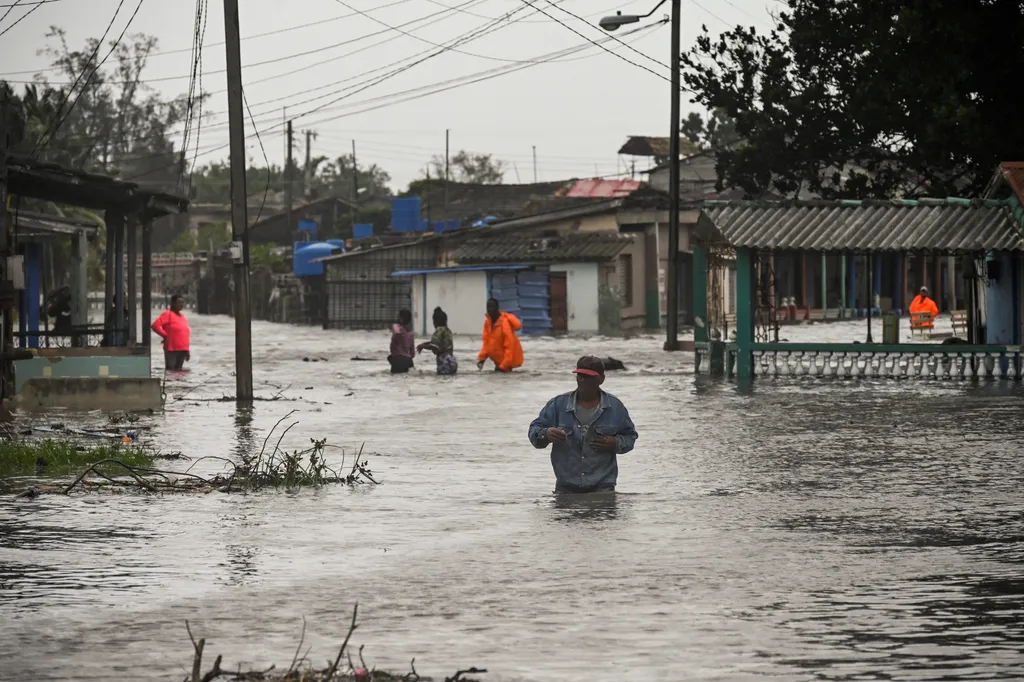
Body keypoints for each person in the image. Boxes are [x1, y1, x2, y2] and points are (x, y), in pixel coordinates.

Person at [528, 356, 638, 494]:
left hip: (603, 487)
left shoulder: (615, 407)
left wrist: (615, 442)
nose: (582, 380)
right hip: (566, 488)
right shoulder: (557, 405)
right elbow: (534, 431)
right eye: (580, 376)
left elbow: (630, 437)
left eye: (588, 376)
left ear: (601, 379)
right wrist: (546, 434)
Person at [477, 298, 523, 372]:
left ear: (497, 308)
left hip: (505, 365)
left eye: (492, 307)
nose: (490, 309)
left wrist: (504, 365)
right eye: (488, 307)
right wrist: (482, 359)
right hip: (498, 363)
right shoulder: (488, 323)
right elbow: (486, 343)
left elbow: (510, 346)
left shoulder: (504, 323)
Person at [152, 294, 191, 370]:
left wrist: (187, 350)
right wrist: (165, 335)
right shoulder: (168, 314)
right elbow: (155, 325)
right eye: (179, 302)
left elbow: (185, 333)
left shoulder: (183, 317)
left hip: (182, 349)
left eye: (182, 302)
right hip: (171, 349)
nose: (181, 304)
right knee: (171, 371)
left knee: (179, 372)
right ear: (173, 303)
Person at [416, 306, 458, 375]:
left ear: (435, 321)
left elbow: (434, 346)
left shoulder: (438, 331)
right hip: (452, 361)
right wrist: (425, 343)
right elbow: (440, 343)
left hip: (444, 362)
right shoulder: (448, 331)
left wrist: (422, 346)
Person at [387, 309, 415, 374]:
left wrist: (393, 353)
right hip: (408, 360)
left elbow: (393, 341)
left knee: (395, 377)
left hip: (397, 359)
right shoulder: (411, 333)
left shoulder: (397, 329)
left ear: (401, 318)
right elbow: (412, 352)